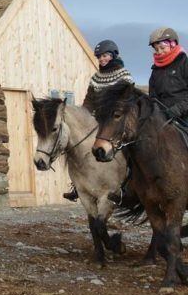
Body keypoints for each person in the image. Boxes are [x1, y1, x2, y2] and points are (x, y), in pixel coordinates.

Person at [63, 39, 134, 202]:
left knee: (129, 147)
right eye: (99, 57)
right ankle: (77, 185)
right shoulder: (96, 78)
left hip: (118, 120)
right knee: (80, 146)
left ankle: (128, 185)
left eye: (105, 56)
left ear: (113, 55)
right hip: (98, 121)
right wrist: (84, 117)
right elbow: (89, 101)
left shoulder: (124, 75)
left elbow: (128, 100)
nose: (102, 59)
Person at [148, 27, 188, 124]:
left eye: (162, 48)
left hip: (185, 117)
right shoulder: (155, 71)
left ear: (172, 44)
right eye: (156, 49)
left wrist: (177, 110)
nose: (159, 52)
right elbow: (153, 97)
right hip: (163, 118)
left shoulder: (185, 63)